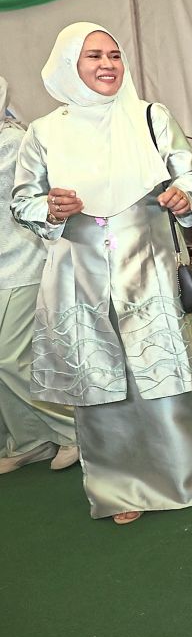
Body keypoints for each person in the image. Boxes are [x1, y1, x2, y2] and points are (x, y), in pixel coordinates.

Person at [10, 22, 192, 522]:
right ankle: (122, 490)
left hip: (148, 261)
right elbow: (22, 200)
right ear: (70, 63)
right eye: (93, 56)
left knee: (167, 376)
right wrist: (50, 206)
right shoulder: (44, 133)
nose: (107, 65)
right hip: (80, 269)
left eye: (114, 55)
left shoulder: (150, 117)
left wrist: (185, 197)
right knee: (101, 385)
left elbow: (191, 174)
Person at [0, 76, 77, 475]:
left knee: (12, 360)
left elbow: (37, 198)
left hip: (22, 262)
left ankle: (74, 431)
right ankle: (28, 439)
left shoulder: (14, 141)